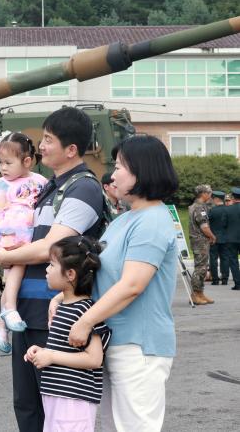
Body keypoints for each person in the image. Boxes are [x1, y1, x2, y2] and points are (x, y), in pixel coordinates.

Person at [0, 107, 105, 432]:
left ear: (71, 149)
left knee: (52, 409)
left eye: (48, 140)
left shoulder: (82, 188)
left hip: (53, 313)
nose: (41, 146)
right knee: (27, 406)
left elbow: (49, 247)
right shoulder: (50, 187)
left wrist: (4, 255)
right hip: (29, 312)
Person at [66, 134, 179, 432]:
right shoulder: (123, 220)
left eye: (119, 167)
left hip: (138, 346)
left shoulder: (152, 220)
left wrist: (85, 322)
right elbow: (102, 275)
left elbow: (132, 285)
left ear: (142, 171)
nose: (113, 174)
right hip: (114, 341)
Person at [25, 236, 111, 432]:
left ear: (70, 274)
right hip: (58, 396)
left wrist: (52, 356)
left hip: (73, 400)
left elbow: (94, 358)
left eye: (51, 265)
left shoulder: (86, 312)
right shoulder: (64, 306)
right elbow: (65, 349)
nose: (46, 270)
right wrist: (43, 351)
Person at [0, 132, 48, 354]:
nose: (3, 167)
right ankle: (9, 310)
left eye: (9, 162)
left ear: (27, 161)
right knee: (16, 267)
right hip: (11, 231)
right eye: (1, 162)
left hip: (28, 231)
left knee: (13, 275)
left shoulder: (39, 181)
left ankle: (2, 325)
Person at [188, 184, 215, 304]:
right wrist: (212, 236)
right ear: (203, 194)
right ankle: (195, 295)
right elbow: (204, 227)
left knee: (202, 268)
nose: (210, 195)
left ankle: (200, 293)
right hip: (200, 241)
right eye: (209, 193)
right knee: (200, 268)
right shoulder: (199, 208)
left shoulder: (195, 206)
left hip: (198, 241)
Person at [208, 190, 229, 285]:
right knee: (225, 258)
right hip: (226, 237)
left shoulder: (212, 210)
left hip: (214, 237)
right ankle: (225, 279)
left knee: (213, 258)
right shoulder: (228, 209)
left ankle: (215, 279)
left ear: (216, 199)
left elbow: (207, 223)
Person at [225, 187, 240, 290]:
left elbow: (224, 224)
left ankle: (238, 284)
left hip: (232, 238)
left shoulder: (228, 209)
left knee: (233, 261)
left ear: (233, 198)